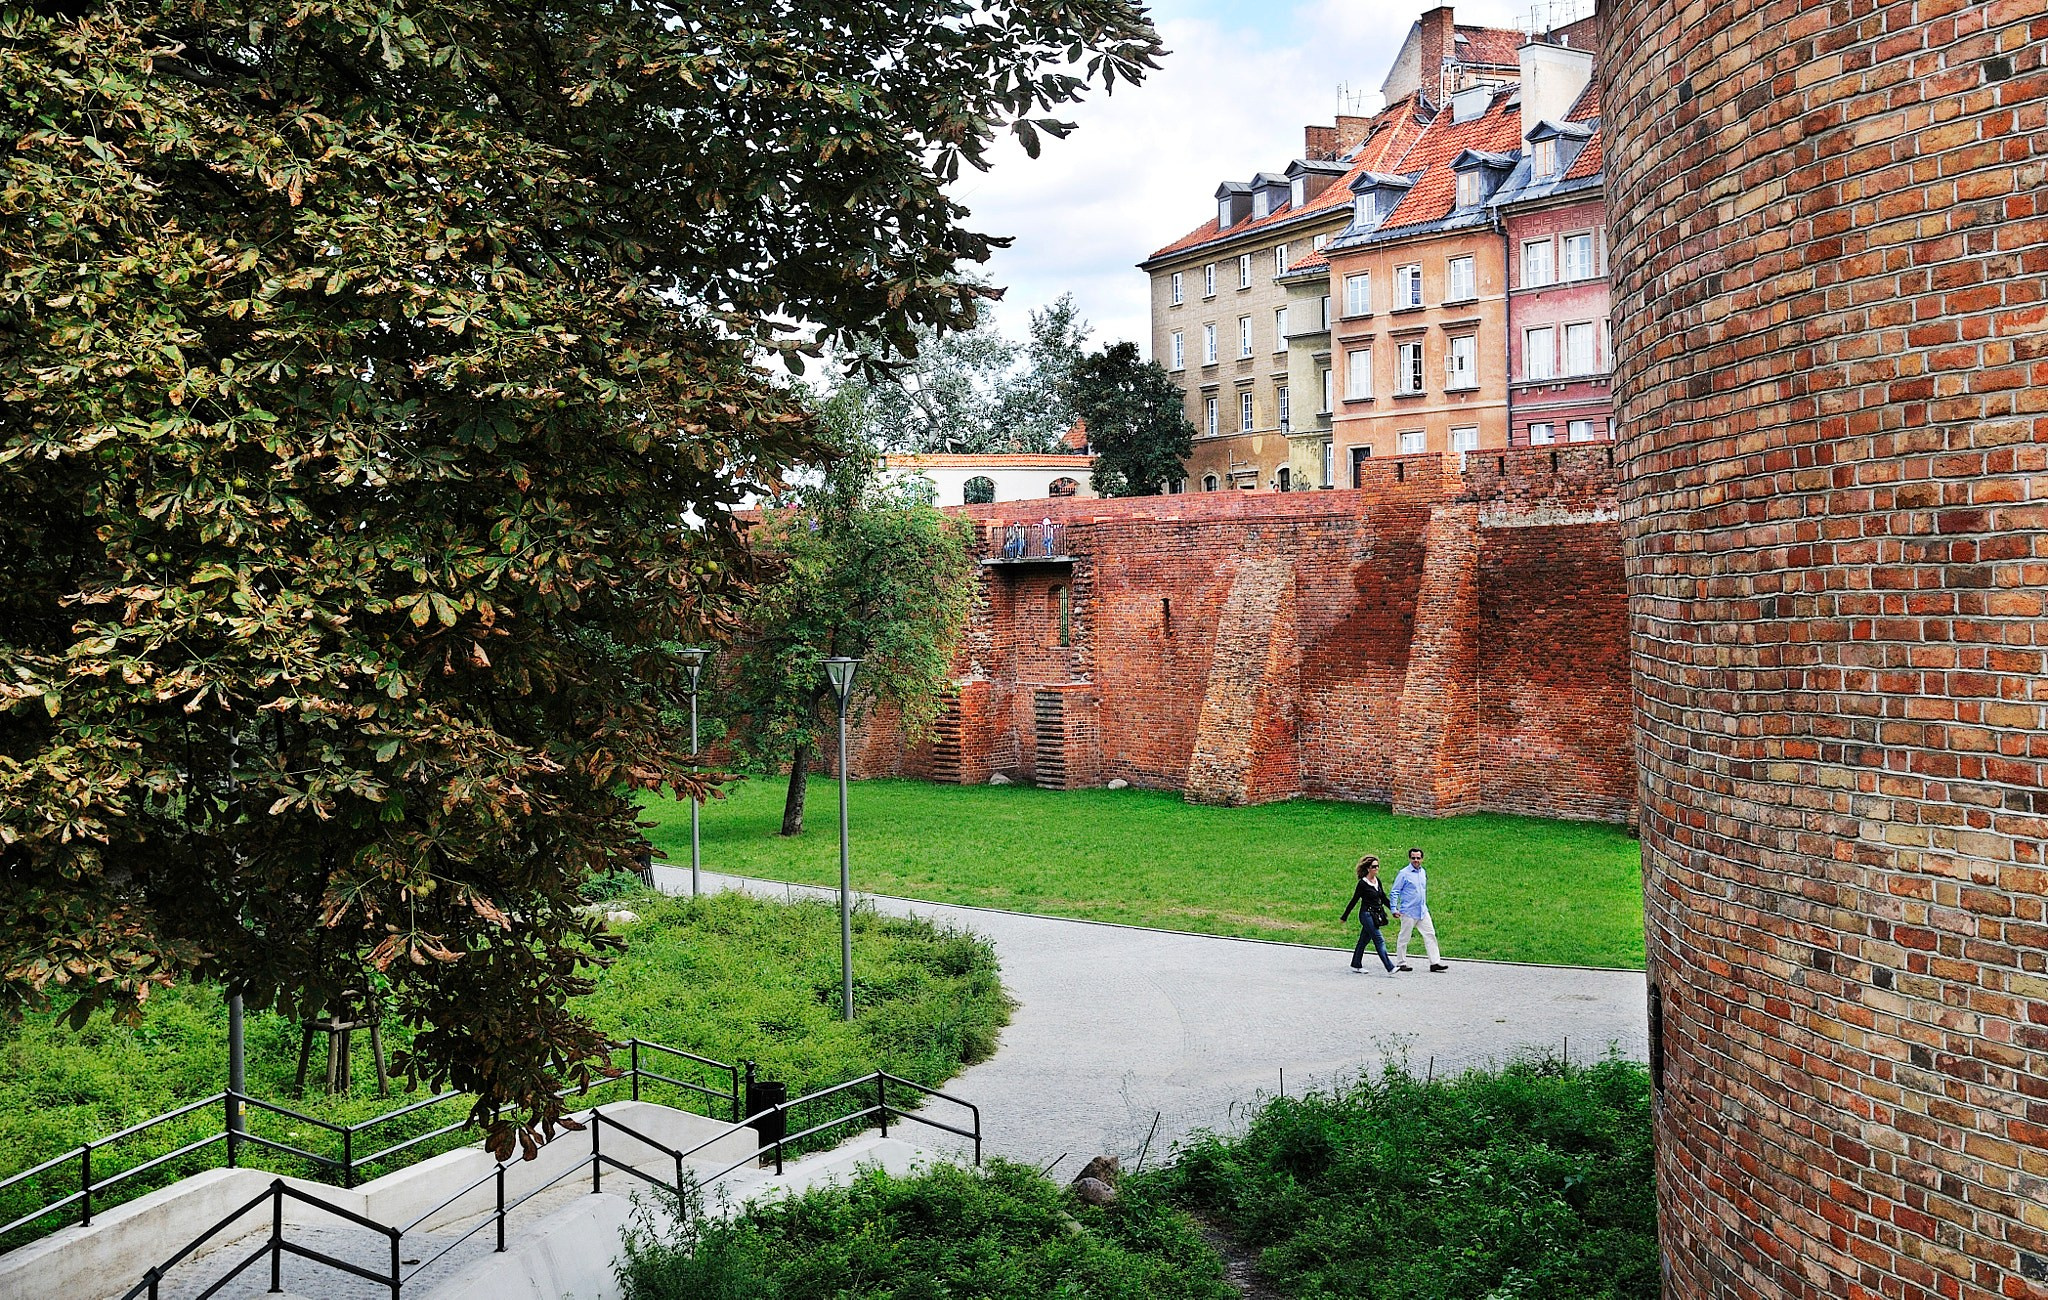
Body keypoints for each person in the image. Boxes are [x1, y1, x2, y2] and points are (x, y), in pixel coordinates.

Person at [1390, 846, 1448, 972]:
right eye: (1413, 858)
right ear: (1409, 858)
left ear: (1422, 859)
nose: (1416, 860)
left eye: (1418, 858)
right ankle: (1401, 962)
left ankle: (1435, 962)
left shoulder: (1423, 872)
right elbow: (1395, 891)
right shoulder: (1404, 873)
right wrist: (1394, 908)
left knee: (1430, 935)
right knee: (1404, 937)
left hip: (1422, 910)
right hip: (1408, 911)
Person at [1341, 855, 1396, 975]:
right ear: (1367, 868)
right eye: (1373, 867)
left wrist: (1394, 910)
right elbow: (1354, 900)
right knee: (1379, 939)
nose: (1376, 869)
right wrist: (1344, 916)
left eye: (1377, 866)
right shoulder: (1362, 884)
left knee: (1363, 940)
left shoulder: (1377, 881)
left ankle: (1356, 964)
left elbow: (1383, 897)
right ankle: (1390, 967)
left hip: (1376, 915)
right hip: (1366, 915)